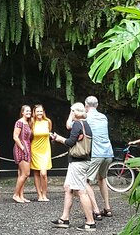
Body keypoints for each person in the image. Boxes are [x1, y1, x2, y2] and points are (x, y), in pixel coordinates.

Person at [50, 102, 96, 232]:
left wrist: (58, 138)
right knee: (68, 187)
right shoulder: (85, 124)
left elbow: (70, 142)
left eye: (71, 111)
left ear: (75, 112)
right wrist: (72, 114)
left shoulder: (77, 124)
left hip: (78, 162)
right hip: (81, 161)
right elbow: (69, 126)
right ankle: (64, 219)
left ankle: (90, 222)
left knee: (81, 191)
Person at [83, 96, 114, 220]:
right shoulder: (103, 117)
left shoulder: (86, 117)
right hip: (108, 152)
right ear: (97, 105)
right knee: (102, 178)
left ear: (86, 105)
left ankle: (95, 210)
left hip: (96, 153)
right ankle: (107, 208)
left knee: (84, 181)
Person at [30, 104, 52, 202]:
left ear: (43, 112)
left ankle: (44, 194)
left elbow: (49, 133)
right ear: (34, 112)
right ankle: (39, 195)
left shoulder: (48, 121)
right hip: (35, 149)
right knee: (36, 173)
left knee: (44, 173)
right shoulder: (31, 122)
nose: (39, 113)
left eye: (41, 111)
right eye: (37, 111)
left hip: (45, 149)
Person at [12, 104, 33, 203]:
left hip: (27, 147)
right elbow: (15, 136)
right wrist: (22, 147)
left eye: (30, 111)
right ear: (22, 112)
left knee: (21, 173)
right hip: (21, 148)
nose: (28, 112)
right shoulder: (19, 122)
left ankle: (21, 195)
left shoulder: (27, 123)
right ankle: (16, 195)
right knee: (26, 173)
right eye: (27, 111)